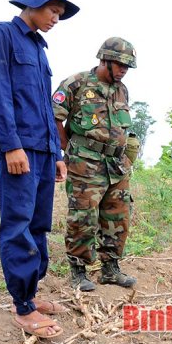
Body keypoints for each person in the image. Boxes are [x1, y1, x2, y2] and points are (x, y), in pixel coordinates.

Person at [0, 0, 80, 338]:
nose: (56, 18)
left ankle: (31, 294)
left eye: (60, 13)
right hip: (18, 149)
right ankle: (22, 307)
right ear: (34, 4)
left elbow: (46, 107)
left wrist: (57, 153)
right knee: (18, 222)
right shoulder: (0, 36)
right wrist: (10, 145)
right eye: (54, 10)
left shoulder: (39, 49)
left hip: (43, 149)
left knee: (38, 224)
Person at [53, 38, 138, 291]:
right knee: (83, 216)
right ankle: (78, 271)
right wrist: (69, 150)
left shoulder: (122, 90)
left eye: (127, 66)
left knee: (118, 216)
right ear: (104, 59)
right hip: (85, 164)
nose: (123, 70)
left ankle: (110, 269)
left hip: (117, 165)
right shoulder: (76, 84)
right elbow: (54, 118)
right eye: (120, 64)